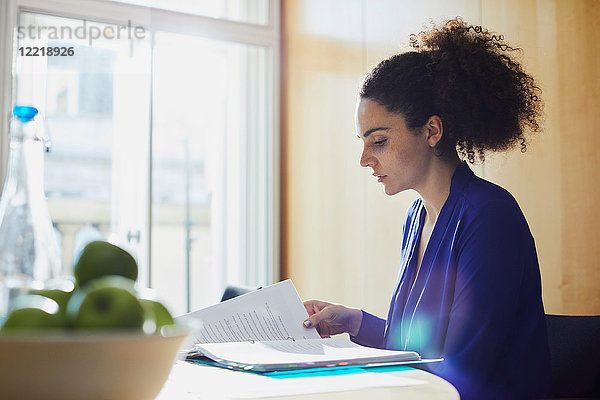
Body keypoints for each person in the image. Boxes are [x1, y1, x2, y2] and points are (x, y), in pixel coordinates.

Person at [302, 18, 550, 400]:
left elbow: (462, 368)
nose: (365, 159)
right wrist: (354, 322)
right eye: (364, 142)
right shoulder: (417, 217)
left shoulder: (490, 217)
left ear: (432, 131)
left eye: (379, 141)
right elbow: (420, 347)